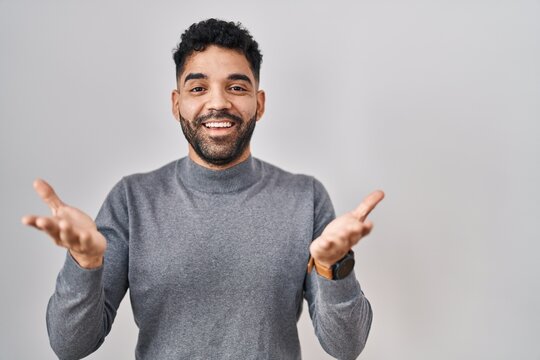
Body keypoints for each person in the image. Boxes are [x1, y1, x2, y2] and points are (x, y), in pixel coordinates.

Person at [22, 19, 384, 360]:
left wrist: (333, 266)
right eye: (198, 88)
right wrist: (83, 264)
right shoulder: (132, 199)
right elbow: (69, 345)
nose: (217, 103)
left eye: (236, 87)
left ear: (259, 104)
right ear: (177, 104)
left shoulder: (306, 198)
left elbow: (346, 346)